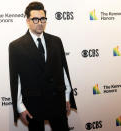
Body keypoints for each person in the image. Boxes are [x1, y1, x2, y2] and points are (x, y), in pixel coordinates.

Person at [9, 1, 77, 131]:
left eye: (43, 19)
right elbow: (15, 79)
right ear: (28, 21)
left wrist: (67, 96)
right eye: (35, 19)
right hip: (33, 104)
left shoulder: (56, 41)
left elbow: (63, 71)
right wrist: (20, 107)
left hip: (57, 101)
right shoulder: (16, 46)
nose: (40, 22)